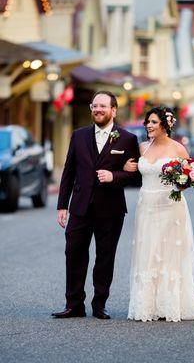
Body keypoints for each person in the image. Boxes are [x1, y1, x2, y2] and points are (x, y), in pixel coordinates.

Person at [52, 90, 141, 319]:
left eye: (103, 106)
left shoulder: (127, 139)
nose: (98, 109)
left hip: (110, 210)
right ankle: (74, 305)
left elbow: (137, 177)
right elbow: (69, 172)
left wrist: (115, 177)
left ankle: (99, 304)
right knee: (73, 255)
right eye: (95, 106)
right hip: (80, 208)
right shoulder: (79, 135)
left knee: (105, 257)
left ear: (113, 110)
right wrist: (63, 205)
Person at [124, 106, 194, 322]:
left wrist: (183, 182)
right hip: (146, 206)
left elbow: (191, 176)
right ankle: (148, 305)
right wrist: (128, 168)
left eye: (153, 122)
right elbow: (136, 174)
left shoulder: (178, 149)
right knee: (147, 252)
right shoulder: (143, 147)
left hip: (171, 206)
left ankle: (170, 302)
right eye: (148, 122)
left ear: (165, 125)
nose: (149, 126)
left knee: (170, 253)